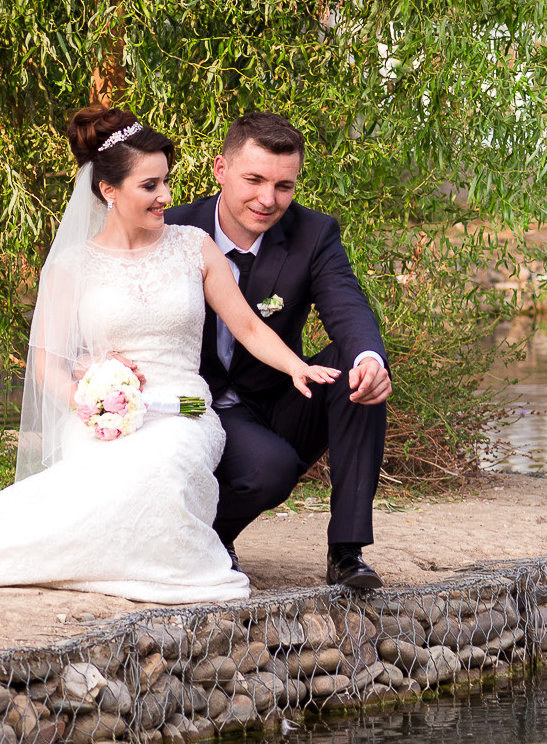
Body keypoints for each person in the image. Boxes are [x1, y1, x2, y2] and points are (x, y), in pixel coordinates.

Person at [0, 107, 338, 603]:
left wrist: (298, 366)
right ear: (109, 190)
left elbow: (248, 325)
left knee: (163, 466)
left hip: (185, 411)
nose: (165, 196)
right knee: (80, 498)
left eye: (165, 182)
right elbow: (45, 364)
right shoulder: (71, 266)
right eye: (150, 186)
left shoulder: (193, 246)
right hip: (100, 416)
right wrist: (89, 400)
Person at [165, 112, 392, 590]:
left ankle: (346, 552)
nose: (268, 200)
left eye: (284, 186)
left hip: (277, 397)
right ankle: (209, 538)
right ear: (220, 169)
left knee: (356, 370)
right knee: (269, 470)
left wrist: (370, 359)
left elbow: (347, 305)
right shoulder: (172, 229)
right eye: (254, 180)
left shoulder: (314, 234)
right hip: (189, 403)